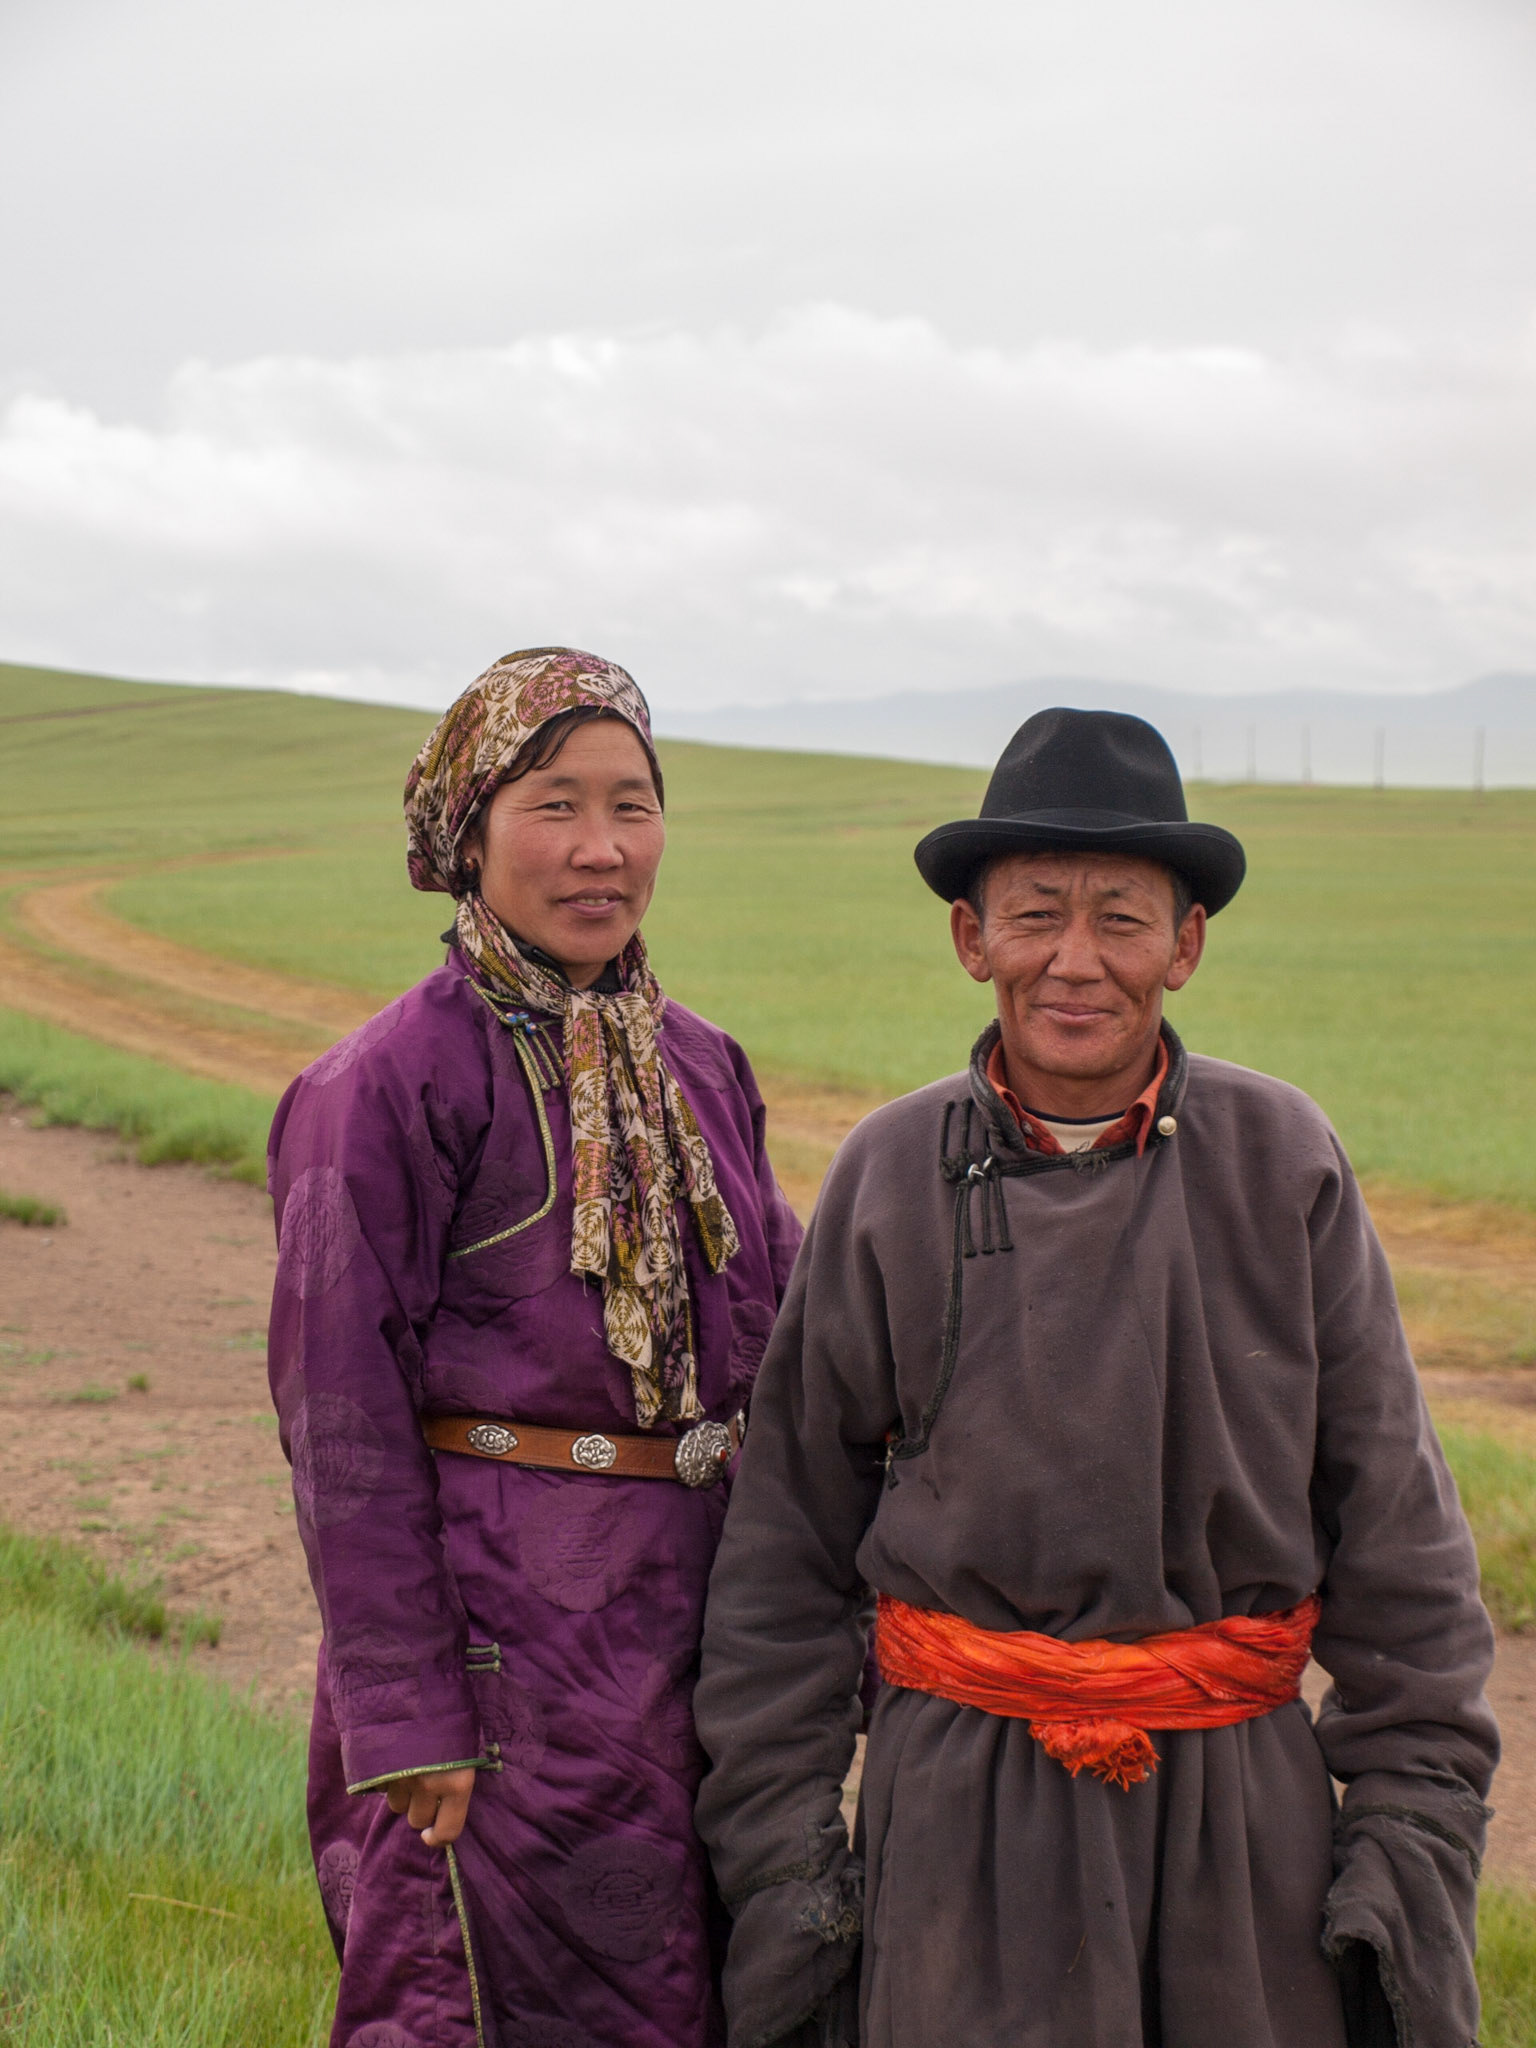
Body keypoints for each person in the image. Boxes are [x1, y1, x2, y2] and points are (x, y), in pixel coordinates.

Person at [693, 707, 1497, 2048]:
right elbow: (784, 1555)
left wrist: (1407, 1848)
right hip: (960, 1821)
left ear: (1185, 944)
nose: (1077, 962)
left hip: (1240, 1834)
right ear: (972, 938)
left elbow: (1403, 1549)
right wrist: (790, 1873)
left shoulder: (1281, 1161)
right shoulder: (890, 1176)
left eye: (1123, 919)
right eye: (1036, 916)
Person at [267, 647, 802, 2048]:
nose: (602, 848)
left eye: (634, 804)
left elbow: (785, 1333)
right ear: (468, 828)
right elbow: (341, 1420)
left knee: (705, 1992)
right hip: (499, 1663)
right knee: (479, 2003)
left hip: (695, 1646)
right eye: (555, 805)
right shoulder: (382, 1085)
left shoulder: (702, 1065)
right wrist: (405, 1714)